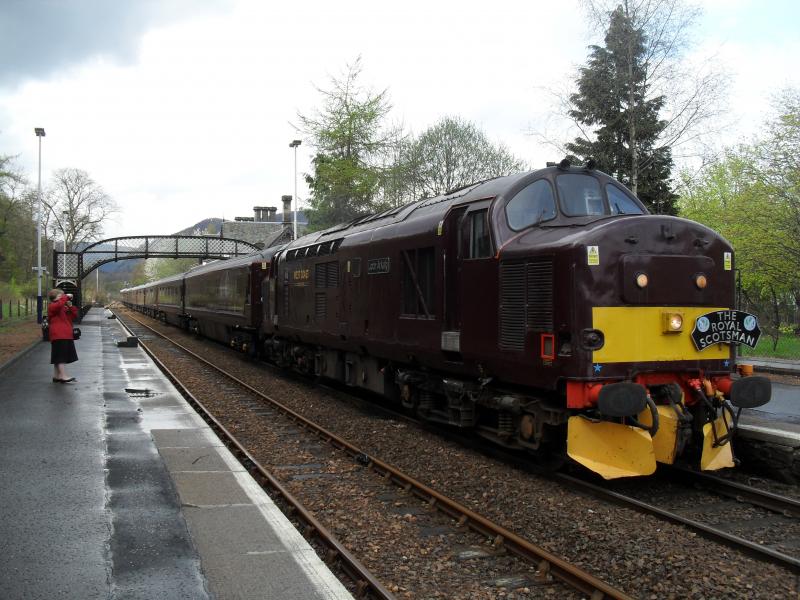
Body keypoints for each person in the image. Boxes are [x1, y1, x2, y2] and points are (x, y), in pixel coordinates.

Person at [47, 288, 79, 383]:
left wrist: (70, 307)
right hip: (59, 334)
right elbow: (59, 304)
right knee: (61, 357)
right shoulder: (52, 306)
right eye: (61, 296)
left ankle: (57, 376)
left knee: (58, 356)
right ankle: (63, 376)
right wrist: (66, 297)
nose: (63, 297)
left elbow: (73, 316)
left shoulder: (62, 306)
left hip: (65, 334)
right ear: (55, 298)